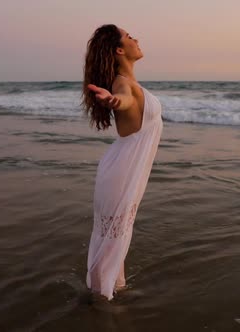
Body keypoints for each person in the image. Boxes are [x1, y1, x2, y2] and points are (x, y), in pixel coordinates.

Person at [81, 24, 163, 301]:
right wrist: (115, 101)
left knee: (115, 237)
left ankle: (110, 291)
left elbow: (129, 100)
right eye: (129, 37)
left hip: (123, 169)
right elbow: (125, 100)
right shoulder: (121, 84)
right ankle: (101, 301)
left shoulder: (129, 83)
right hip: (120, 172)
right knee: (111, 239)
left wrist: (119, 100)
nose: (136, 39)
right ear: (119, 49)